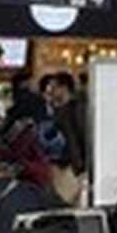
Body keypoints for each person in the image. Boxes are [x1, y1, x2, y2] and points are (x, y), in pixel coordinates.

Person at [46, 73, 87, 205]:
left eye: (54, 87)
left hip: (71, 167)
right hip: (64, 166)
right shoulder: (59, 110)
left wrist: (79, 166)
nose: (50, 91)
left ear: (64, 88)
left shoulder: (74, 110)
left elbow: (79, 137)